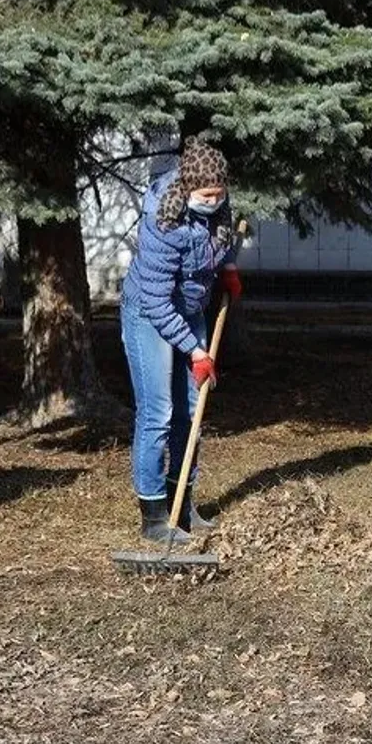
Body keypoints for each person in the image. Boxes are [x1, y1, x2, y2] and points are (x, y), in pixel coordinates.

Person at [119, 137, 241, 544]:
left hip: (190, 308)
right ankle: (154, 517)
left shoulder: (219, 204)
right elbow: (155, 297)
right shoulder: (163, 220)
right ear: (188, 188)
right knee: (158, 410)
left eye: (219, 194)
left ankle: (182, 506)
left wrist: (228, 268)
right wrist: (195, 350)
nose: (214, 200)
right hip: (148, 313)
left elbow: (222, 240)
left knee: (191, 410)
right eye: (206, 195)